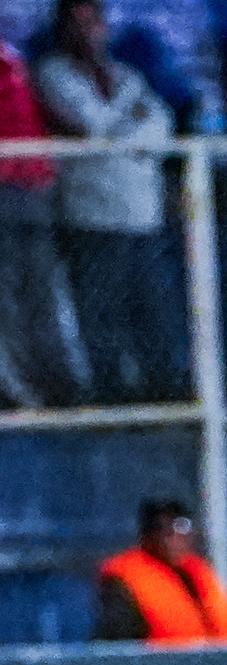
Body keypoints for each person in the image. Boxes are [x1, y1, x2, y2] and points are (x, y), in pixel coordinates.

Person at [31, 0, 175, 406]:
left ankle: (162, 389)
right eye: (79, 22)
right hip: (92, 214)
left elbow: (160, 125)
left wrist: (121, 135)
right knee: (101, 311)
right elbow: (92, 123)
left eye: (95, 20)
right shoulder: (53, 74)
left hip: (143, 211)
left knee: (152, 309)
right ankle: (111, 395)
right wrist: (130, 127)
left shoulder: (127, 74)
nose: (90, 30)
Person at [0, 32, 73, 412]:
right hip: (4, 188)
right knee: (5, 296)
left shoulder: (12, 57)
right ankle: (13, 388)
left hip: (31, 187)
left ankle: (53, 383)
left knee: (41, 289)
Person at [93, 496, 227, 643]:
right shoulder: (125, 582)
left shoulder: (199, 575)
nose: (175, 538)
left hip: (218, 663)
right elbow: (116, 649)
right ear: (148, 536)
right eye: (166, 530)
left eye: (182, 528)